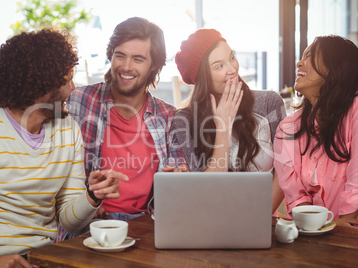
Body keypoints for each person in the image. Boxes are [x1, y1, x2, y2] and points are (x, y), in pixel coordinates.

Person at [0, 28, 127, 267]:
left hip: (41, 259)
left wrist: (92, 196)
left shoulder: (68, 130)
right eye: (68, 79)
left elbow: (69, 222)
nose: (74, 88)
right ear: (44, 85)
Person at [64, 17, 184, 237]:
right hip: (88, 223)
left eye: (138, 59)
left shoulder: (168, 117)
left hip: (145, 225)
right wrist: (87, 201)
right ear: (111, 55)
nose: (126, 67)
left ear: (154, 66)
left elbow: (178, 176)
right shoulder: (78, 101)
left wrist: (178, 177)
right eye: (120, 55)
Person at [169, 29, 286, 214]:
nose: (232, 69)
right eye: (219, 66)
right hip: (211, 217)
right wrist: (223, 127)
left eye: (232, 58)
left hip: (264, 216)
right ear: (203, 78)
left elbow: (285, 168)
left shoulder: (269, 102)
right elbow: (207, 190)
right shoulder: (183, 120)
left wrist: (261, 216)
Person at [273, 35, 358, 227]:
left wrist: (345, 227)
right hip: (311, 236)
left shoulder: (355, 109)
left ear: (336, 65)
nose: (299, 63)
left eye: (309, 55)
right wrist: (313, 227)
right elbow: (295, 195)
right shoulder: (288, 128)